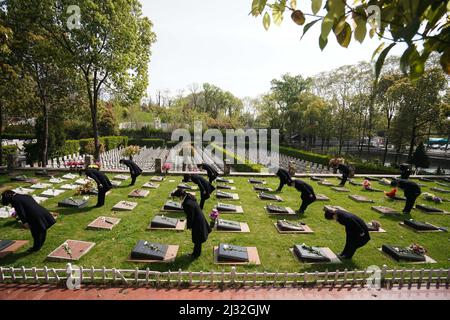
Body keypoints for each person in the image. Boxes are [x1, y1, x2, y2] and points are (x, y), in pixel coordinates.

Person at [171, 188, 211, 258]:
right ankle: (196, 253)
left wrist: (189, 226)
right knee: (197, 238)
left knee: (197, 239)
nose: (177, 200)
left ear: (180, 196)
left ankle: (196, 254)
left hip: (197, 221)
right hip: (199, 218)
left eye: (177, 198)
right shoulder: (189, 196)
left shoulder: (187, 204)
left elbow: (191, 216)